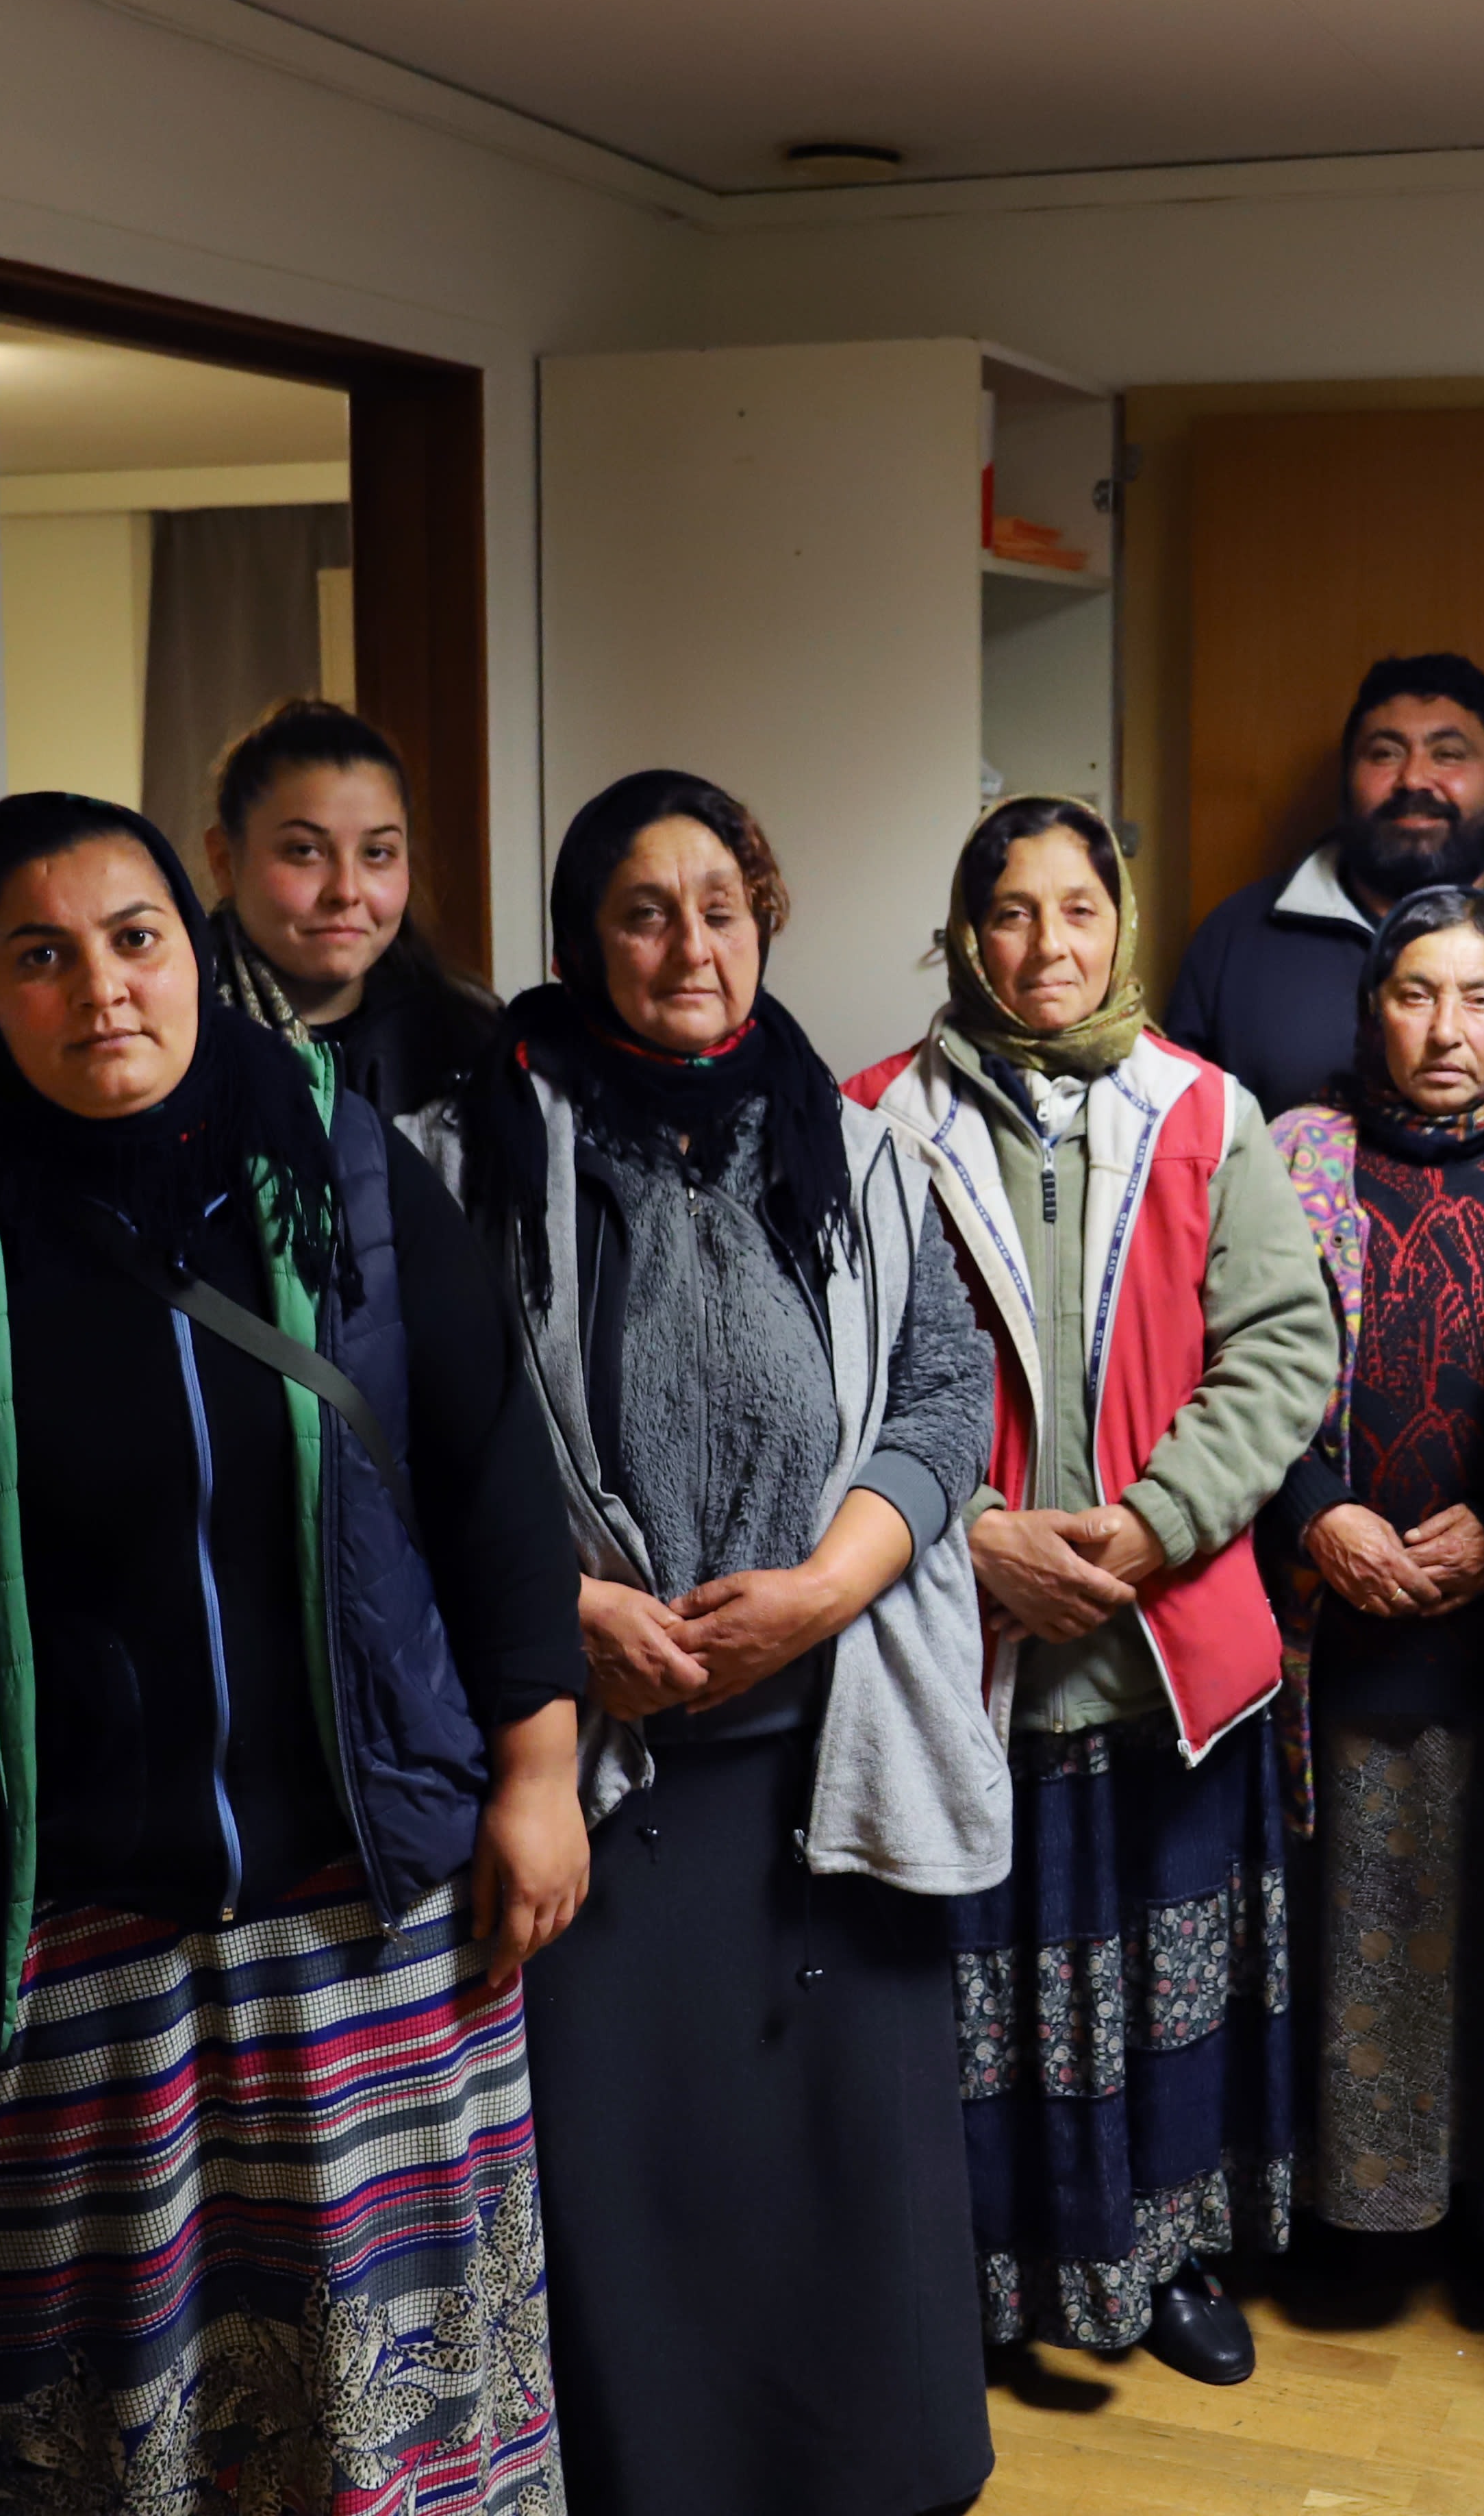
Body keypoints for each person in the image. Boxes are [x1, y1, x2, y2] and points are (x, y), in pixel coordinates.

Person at [0, 791, 586, 2511]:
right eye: (41, 955)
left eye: (135, 939)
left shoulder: (336, 1164)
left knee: (394, 2419)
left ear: (195, 953)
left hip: (367, 1915)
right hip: (52, 1951)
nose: (101, 990)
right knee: (97, 2439)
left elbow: (493, 1475)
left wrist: (537, 1771)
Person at [496, 769, 1007, 2516]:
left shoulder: (855, 1151)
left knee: (849, 2184)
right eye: (643, 913)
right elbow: (415, 1450)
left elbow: (943, 1397)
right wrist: (566, 1611)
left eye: (720, 907)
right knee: (646, 2181)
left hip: (824, 1764)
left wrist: (826, 1588)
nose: (688, 946)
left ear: (764, 919)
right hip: (609, 1771)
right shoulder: (485, 1152)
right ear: (585, 939)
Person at [858, 795, 1336, 2383]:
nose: (1047, 944)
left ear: (1121, 922)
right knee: (982, 2000)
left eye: (1078, 908)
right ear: (963, 933)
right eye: (1009, 911)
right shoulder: (873, 1119)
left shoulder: (1203, 1108)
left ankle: (1171, 2259)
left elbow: (1282, 1349)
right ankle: (989, 2281)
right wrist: (973, 1533)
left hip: (1164, 1647)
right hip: (968, 1641)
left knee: (1168, 1979)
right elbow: (835, 1385)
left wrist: (1151, 1525)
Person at [1258, 886, 1484, 2281]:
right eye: (1413, 994)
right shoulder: (1293, 1153)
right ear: (1371, 1008)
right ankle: (1367, 2217)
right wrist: (1316, 1514)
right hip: (1341, 1615)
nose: (1446, 1030)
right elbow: (1226, 1364)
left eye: (1479, 997)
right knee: (1366, 1917)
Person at [1166, 651, 1484, 1117]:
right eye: (1384, 754)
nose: (1413, 778)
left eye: (1448, 754)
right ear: (1348, 775)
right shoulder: (1235, 942)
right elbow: (1178, 1150)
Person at [201, 695, 505, 1203]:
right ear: (224, 862)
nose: (346, 890)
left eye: (377, 853)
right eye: (304, 851)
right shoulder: (170, 1042)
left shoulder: (473, 1048)